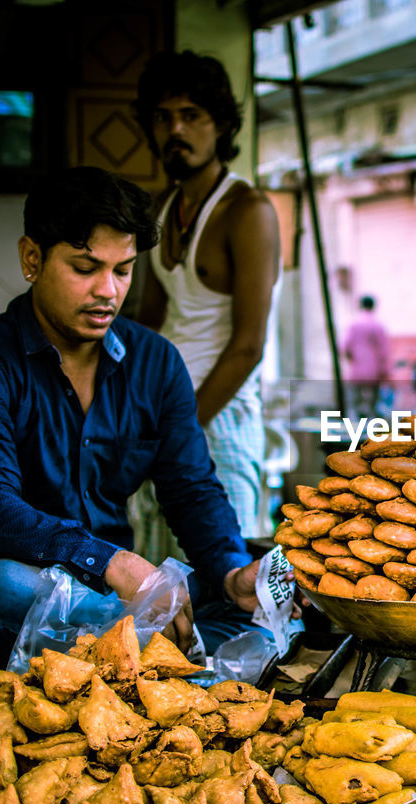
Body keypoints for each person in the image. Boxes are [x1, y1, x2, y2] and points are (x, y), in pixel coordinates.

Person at [0, 166, 263, 667]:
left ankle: (152, 654)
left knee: (259, 611)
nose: (108, 290)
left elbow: (191, 489)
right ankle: (172, 661)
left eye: (122, 270)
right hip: (2, 590)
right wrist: (110, 560)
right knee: (6, 587)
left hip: (111, 596)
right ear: (32, 258)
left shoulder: (156, 363)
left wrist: (232, 571)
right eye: (85, 268)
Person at [132, 50, 280, 544]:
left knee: (228, 583)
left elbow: (249, 346)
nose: (176, 129)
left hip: (222, 418)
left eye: (191, 116)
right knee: (158, 589)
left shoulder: (248, 209)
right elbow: (149, 321)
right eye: (163, 117)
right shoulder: (159, 208)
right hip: (164, 414)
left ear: (220, 125)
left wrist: (181, 428)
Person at [343, 295, 391, 420]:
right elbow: (383, 350)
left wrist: (352, 360)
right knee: (373, 403)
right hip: (374, 369)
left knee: (355, 401)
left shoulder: (354, 324)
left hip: (357, 369)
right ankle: (370, 426)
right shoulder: (377, 326)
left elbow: (346, 347)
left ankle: (355, 424)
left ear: (360, 305)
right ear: (373, 306)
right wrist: (385, 370)